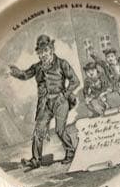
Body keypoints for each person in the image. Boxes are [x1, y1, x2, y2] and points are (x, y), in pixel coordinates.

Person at [8, 34, 79, 168]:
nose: (43, 55)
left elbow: (75, 81)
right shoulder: (37, 67)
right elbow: (24, 75)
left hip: (60, 101)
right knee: (38, 131)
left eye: (45, 50)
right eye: (40, 52)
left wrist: (64, 95)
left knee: (60, 130)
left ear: (51, 49)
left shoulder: (62, 63)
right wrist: (13, 71)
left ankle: (70, 152)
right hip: (45, 104)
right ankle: (36, 160)